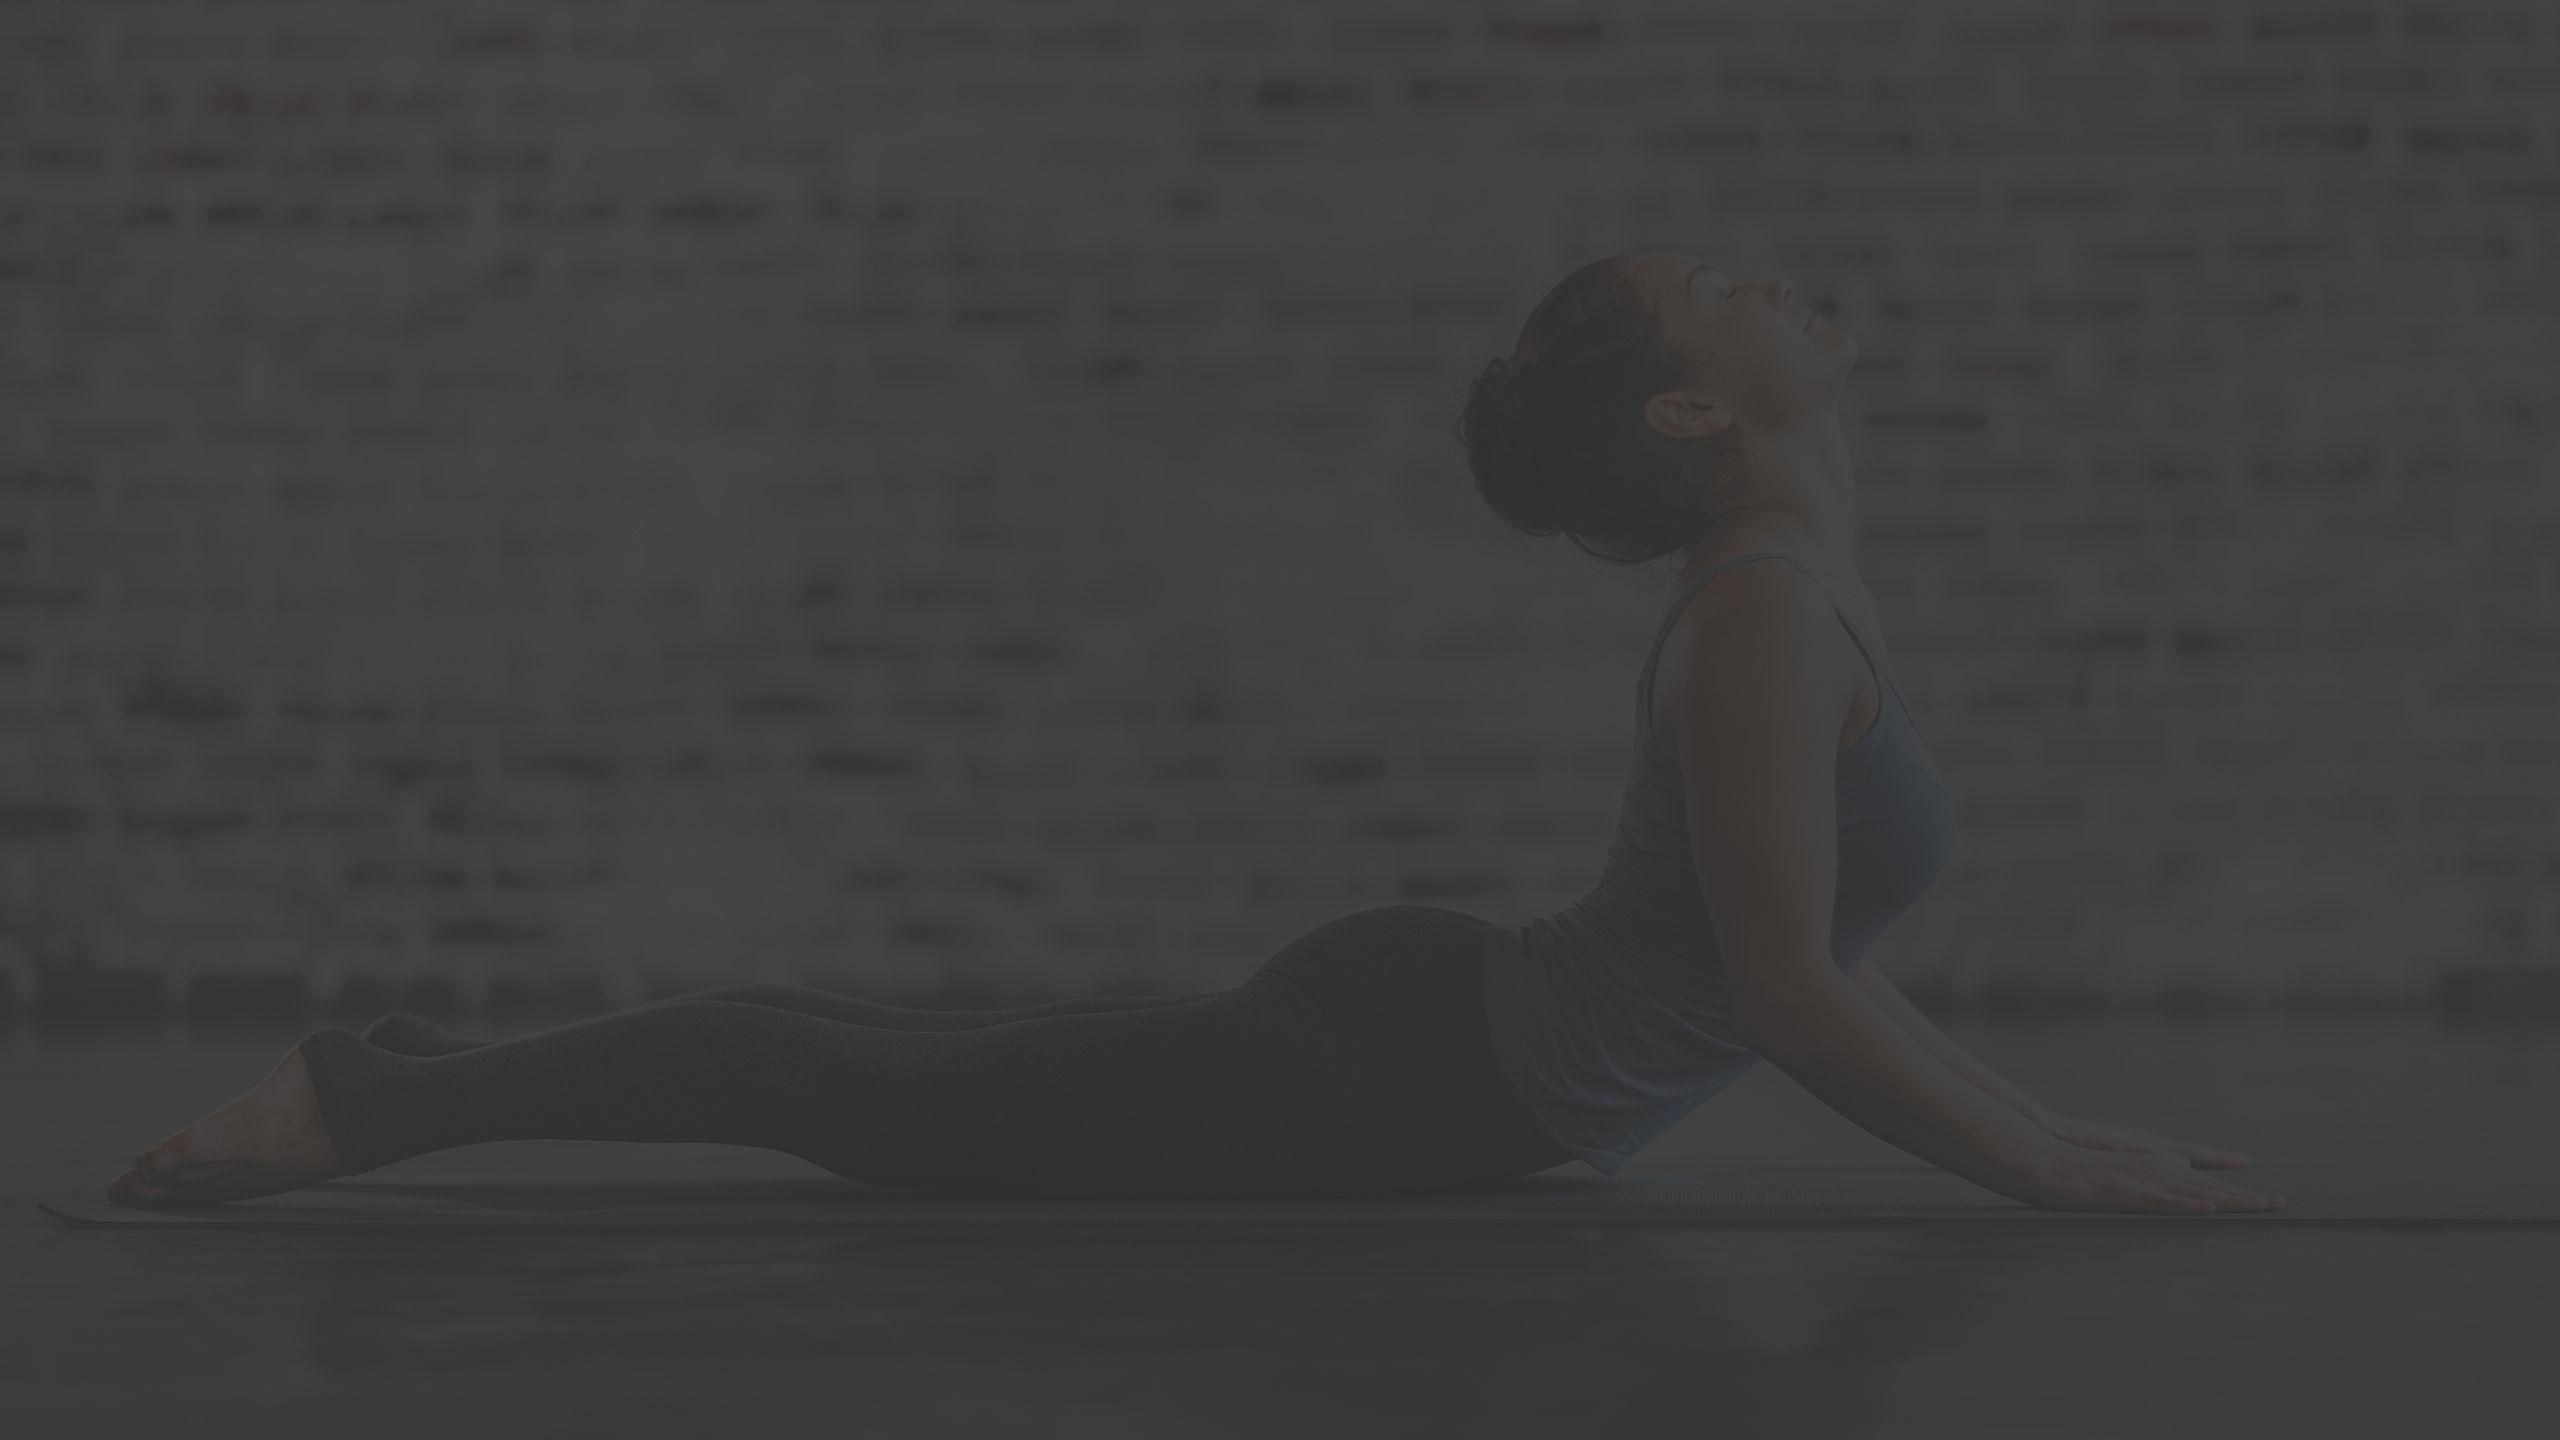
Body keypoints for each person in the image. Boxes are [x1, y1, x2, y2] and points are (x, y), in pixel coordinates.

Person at [108, 252, 2281, 1216]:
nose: (1773, 271)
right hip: (1420, 1064)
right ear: (1693, 411)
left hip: (1437, 1053)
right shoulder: (1758, 629)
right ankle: (357, 1106)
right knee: (880, 1106)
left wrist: (2063, 1134)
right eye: (1721, 276)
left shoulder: (1790, 607)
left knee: (897, 1075)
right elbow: (1784, 992)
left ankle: (385, 1081)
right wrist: (2029, 1169)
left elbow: (1820, 966)